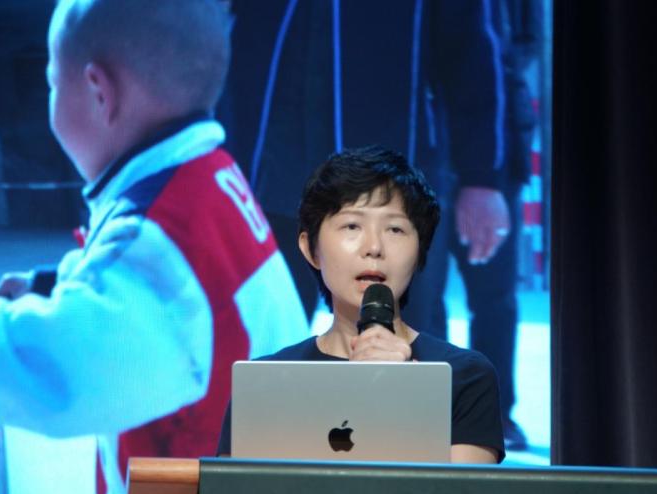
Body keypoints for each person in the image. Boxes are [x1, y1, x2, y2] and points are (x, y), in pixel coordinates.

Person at [0, 1, 307, 494]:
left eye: (52, 84)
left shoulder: (160, 241)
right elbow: (168, 295)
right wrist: (51, 285)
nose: (49, 102)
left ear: (100, 92)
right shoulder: (204, 178)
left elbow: (55, 368)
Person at [219, 0, 532, 450]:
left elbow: (472, 55)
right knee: (260, 350)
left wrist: (483, 176)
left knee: (409, 341)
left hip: (388, 185)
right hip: (270, 181)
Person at [217, 146, 505, 464]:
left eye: (395, 229)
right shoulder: (264, 384)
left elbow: (461, 489)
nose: (374, 247)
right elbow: (237, 486)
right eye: (352, 226)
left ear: (420, 252)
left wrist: (409, 392)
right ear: (310, 249)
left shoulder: (464, 377)